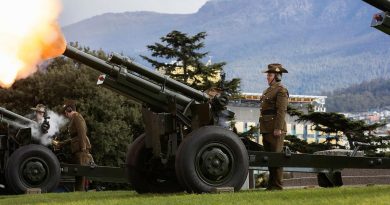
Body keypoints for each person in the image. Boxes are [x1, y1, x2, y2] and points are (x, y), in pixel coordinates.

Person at [259, 63, 289, 190]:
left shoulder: (281, 90)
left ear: (277, 76)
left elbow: (281, 111)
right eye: (267, 75)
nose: (267, 77)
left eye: (270, 75)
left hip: (275, 128)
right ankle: (271, 185)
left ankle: (277, 185)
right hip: (266, 127)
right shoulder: (268, 90)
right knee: (270, 158)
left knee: (276, 157)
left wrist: (278, 128)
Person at [62, 99, 94, 191]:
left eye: (66, 113)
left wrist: (83, 148)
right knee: (78, 172)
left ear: (69, 110)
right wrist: (61, 144)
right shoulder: (74, 118)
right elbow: (74, 137)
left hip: (81, 149)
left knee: (81, 172)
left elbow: (82, 132)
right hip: (77, 148)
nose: (66, 115)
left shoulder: (77, 117)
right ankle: (78, 191)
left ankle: (81, 191)